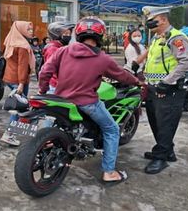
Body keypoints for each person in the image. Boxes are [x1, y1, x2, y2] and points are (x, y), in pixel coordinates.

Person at [38, 17, 142, 184]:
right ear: (100, 35)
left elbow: (44, 72)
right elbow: (122, 75)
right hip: (87, 103)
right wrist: (137, 81)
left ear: (78, 33)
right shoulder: (102, 58)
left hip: (60, 100)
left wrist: (43, 90)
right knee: (112, 130)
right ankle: (109, 172)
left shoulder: (62, 51)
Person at [141, 6, 188, 175]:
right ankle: (166, 151)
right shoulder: (157, 38)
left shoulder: (176, 37)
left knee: (165, 124)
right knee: (156, 121)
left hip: (168, 89)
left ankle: (161, 158)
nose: (149, 23)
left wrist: (166, 82)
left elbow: (185, 63)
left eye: (152, 20)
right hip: (152, 86)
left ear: (163, 19)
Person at [1, 21, 35, 146]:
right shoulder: (22, 45)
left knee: (20, 107)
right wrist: (21, 83)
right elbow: (22, 65)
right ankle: (9, 135)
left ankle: (16, 132)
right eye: (28, 29)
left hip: (9, 78)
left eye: (31, 29)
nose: (31, 31)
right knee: (19, 108)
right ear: (21, 30)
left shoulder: (10, 40)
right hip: (18, 80)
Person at [42, 21, 75, 93]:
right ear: (57, 35)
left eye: (69, 34)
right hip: (55, 87)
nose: (68, 36)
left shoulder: (61, 47)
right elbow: (51, 70)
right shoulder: (53, 49)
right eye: (66, 34)